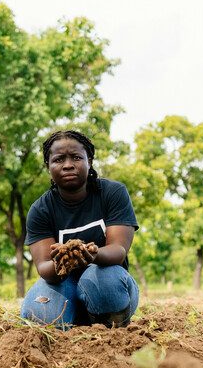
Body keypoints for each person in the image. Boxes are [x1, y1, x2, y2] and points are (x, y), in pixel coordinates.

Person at [20, 130, 140, 328]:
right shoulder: (40, 210)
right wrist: (64, 260)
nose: (68, 165)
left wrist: (89, 254)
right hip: (62, 284)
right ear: (48, 166)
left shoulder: (112, 193)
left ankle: (106, 322)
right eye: (58, 159)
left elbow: (118, 250)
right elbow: (44, 267)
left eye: (76, 157)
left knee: (104, 282)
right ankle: (72, 319)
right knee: (40, 313)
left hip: (104, 279)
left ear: (89, 161)